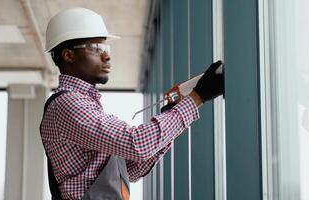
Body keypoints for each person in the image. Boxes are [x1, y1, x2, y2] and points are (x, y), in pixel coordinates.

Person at [40, 7, 224, 200]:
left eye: (106, 49)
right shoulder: (69, 104)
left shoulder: (86, 105)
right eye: (97, 49)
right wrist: (197, 97)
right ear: (68, 55)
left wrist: (171, 113)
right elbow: (137, 144)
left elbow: (129, 170)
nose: (107, 56)